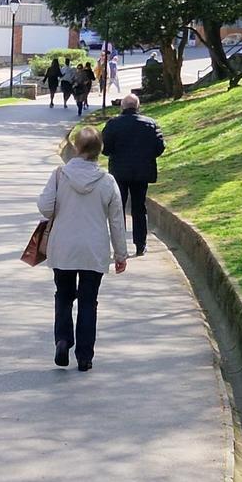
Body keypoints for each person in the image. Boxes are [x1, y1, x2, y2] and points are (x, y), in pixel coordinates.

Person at [37, 126, 128, 371]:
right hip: (94, 250)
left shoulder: (60, 175)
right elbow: (116, 221)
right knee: (89, 301)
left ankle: (63, 340)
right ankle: (85, 356)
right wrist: (121, 254)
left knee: (63, 295)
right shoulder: (107, 181)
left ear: (76, 147)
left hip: (63, 247)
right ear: (100, 150)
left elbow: (45, 207)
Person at [101, 93, 166, 256]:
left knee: (118, 208)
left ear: (122, 107)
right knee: (139, 208)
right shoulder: (150, 124)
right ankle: (140, 244)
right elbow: (159, 147)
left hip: (119, 172)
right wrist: (146, 156)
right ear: (138, 107)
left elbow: (106, 149)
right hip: (142, 171)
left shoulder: (113, 124)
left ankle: (120, 245)